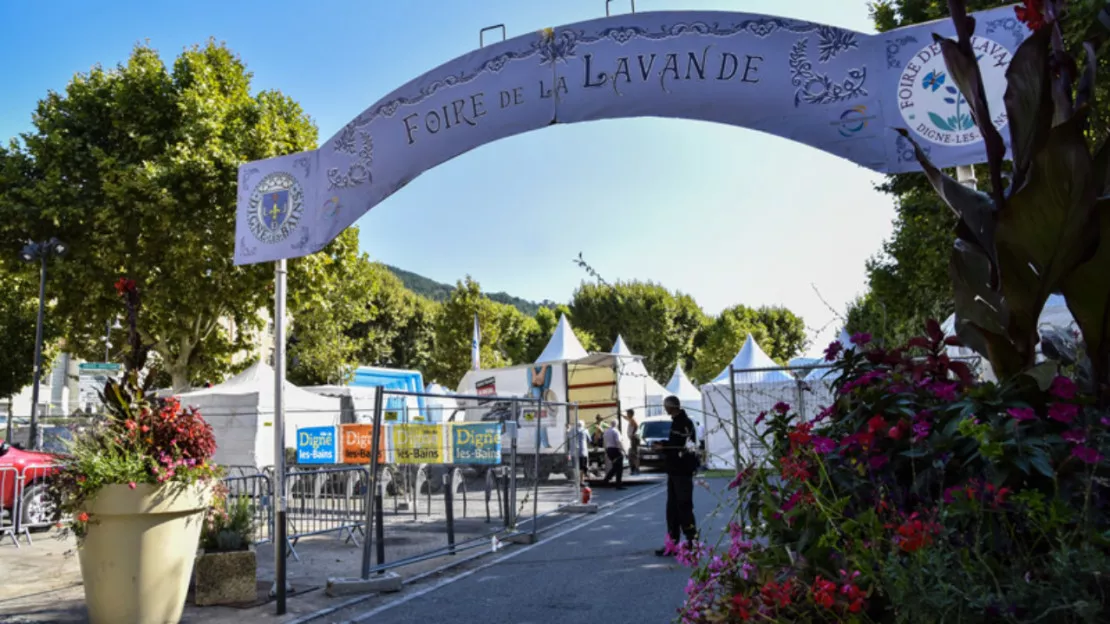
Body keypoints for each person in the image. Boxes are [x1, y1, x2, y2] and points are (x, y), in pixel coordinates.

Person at [653, 395, 698, 555]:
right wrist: (664, 445)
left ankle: (692, 540)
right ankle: (673, 542)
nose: (665, 409)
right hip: (674, 470)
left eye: (666, 406)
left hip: (682, 470)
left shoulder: (684, 423)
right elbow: (675, 443)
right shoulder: (677, 422)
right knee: (672, 508)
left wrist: (663, 447)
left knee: (684, 506)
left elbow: (680, 445)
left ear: (671, 407)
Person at [601, 420, 626, 489]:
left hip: (609, 450)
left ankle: (606, 480)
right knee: (619, 468)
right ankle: (618, 484)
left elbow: (604, 442)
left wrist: (606, 450)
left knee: (615, 467)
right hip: (615, 450)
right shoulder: (616, 431)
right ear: (616, 424)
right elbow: (619, 441)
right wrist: (624, 450)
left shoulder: (606, 431)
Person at [625, 408, 641, 476]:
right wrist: (621, 414)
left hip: (634, 439)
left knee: (634, 455)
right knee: (632, 454)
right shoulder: (630, 419)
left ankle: (636, 469)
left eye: (628, 413)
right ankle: (634, 469)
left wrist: (633, 434)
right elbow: (626, 418)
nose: (627, 414)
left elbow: (636, 426)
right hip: (633, 439)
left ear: (630, 414)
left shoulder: (632, 419)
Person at [574, 420, 590, 485]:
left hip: (575, 451)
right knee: (582, 467)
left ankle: (577, 481)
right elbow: (589, 440)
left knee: (577, 467)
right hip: (583, 451)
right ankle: (581, 481)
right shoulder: (585, 430)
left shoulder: (574, 431)